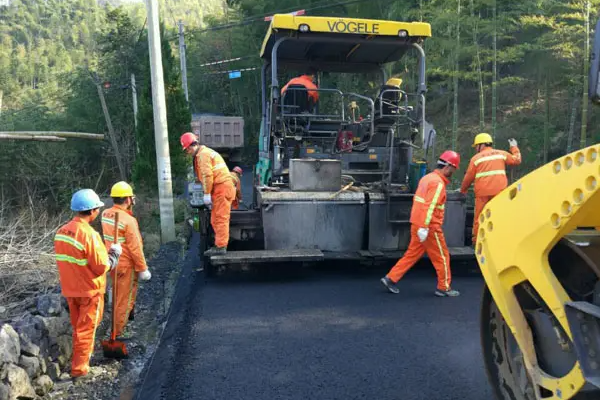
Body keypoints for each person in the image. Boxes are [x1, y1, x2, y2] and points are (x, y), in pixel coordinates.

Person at [54, 189, 122, 381]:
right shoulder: (89, 235)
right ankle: (80, 370)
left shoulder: (61, 232)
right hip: (89, 291)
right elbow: (101, 266)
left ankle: (78, 360)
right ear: (92, 211)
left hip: (71, 289)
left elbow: (75, 260)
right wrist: (114, 254)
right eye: (98, 208)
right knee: (86, 329)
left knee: (78, 328)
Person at [380, 151, 462, 297]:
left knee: (412, 254)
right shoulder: (437, 183)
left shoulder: (427, 178)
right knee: (442, 257)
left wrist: (421, 226)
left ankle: (390, 278)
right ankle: (444, 287)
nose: (453, 172)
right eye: (454, 168)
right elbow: (429, 206)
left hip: (417, 224)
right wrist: (425, 227)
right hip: (430, 227)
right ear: (448, 166)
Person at [101, 181, 151, 338]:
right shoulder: (129, 221)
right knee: (124, 299)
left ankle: (117, 325)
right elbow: (135, 248)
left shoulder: (105, 214)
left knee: (117, 296)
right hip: (126, 265)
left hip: (112, 261)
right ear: (129, 199)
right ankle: (118, 331)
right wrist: (142, 269)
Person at [180, 132, 235, 256]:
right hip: (221, 188)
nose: (187, 152)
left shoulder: (202, 156)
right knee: (216, 218)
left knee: (220, 218)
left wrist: (206, 194)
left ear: (190, 146)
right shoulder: (204, 153)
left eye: (186, 149)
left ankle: (221, 247)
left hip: (221, 189)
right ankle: (219, 245)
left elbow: (207, 175)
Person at [460, 133, 521, 244]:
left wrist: (463, 190)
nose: (476, 149)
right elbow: (517, 160)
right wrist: (514, 147)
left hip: (482, 193)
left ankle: (477, 242)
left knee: (479, 218)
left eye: (476, 146)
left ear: (481, 145)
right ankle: (500, 240)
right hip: (499, 193)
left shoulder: (476, 159)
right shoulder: (501, 154)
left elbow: (468, 178)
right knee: (499, 215)